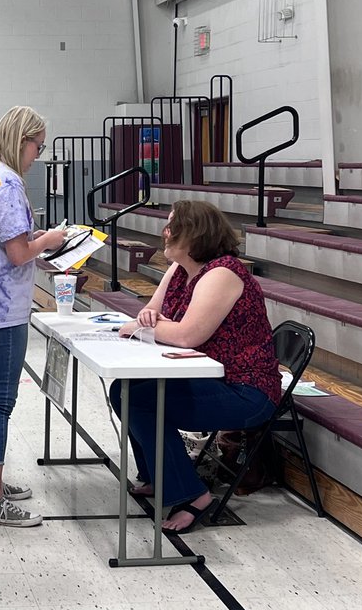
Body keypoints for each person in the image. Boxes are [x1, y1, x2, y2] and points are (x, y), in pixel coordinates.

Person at [109, 200, 280, 533]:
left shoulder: (222, 273)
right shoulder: (179, 269)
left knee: (143, 401)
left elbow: (186, 335)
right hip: (209, 379)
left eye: (173, 225)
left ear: (194, 234)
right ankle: (157, 476)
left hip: (245, 390)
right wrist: (149, 322)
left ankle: (194, 495)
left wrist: (146, 326)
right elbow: (151, 313)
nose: (165, 231)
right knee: (124, 390)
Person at [0, 106, 65, 527]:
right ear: (23, 140)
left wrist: (32, 239)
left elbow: (4, 239)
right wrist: (51, 239)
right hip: (3, 306)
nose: (37, 155)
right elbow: (18, 252)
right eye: (37, 146)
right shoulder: (5, 182)